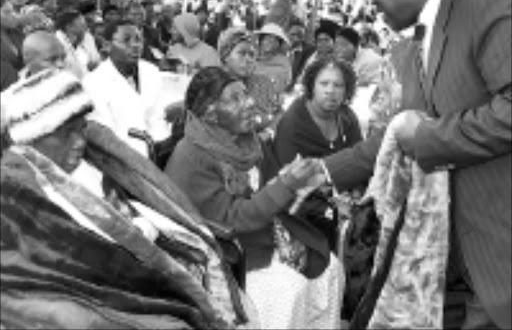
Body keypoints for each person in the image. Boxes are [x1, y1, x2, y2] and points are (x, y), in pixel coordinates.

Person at [323, 0, 511, 328]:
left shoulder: (488, 0)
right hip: (437, 262)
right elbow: (396, 135)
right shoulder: (411, 48)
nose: (371, 0)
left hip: (494, 259)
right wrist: (321, 172)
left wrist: (428, 135)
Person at [0, 68, 255, 329]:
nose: (79, 142)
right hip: (94, 291)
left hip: (144, 270)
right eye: (67, 134)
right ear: (32, 139)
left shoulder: (92, 165)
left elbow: (124, 211)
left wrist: (142, 229)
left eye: (81, 130)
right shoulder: (19, 190)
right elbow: (64, 257)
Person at [165, 66, 343, 330]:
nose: (249, 103)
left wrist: (294, 182)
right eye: (235, 99)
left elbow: (266, 187)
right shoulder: (192, 156)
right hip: (224, 252)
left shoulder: (247, 141)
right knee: (288, 290)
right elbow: (233, 219)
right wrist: (284, 185)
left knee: (331, 269)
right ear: (211, 113)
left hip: (263, 231)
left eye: (245, 94)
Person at [82, 20, 170, 156]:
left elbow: (157, 117)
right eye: (126, 40)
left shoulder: (151, 71)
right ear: (107, 45)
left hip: (156, 150)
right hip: (121, 158)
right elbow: (106, 135)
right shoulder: (93, 82)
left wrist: (160, 146)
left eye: (138, 40)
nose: (135, 45)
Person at [274, 58, 362, 167]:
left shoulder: (347, 116)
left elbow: (359, 159)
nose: (330, 91)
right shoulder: (292, 125)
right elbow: (288, 176)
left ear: (347, 90)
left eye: (338, 85)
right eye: (324, 84)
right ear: (312, 86)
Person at [218, 27, 281, 132]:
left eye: (251, 54)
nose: (248, 60)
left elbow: (278, 113)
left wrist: (269, 132)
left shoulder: (263, 82)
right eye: (242, 53)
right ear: (225, 56)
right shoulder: (216, 88)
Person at [254, 23, 292, 96]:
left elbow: (283, 84)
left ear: (278, 44)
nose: (271, 41)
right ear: (261, 40)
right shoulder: (252, 57)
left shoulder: (283, 62)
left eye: (275, 39)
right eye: (267, 38)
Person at [54, 9, 90, 78]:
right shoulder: (57, 45)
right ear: (69, 27)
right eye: (82, 25)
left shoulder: (79, 44)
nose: (86, 28)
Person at [288, 19, 315, 91]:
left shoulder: (310, 51)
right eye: (293, 34)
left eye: (300, 35)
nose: (296, 38)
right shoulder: (278, 48)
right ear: (286, 33)